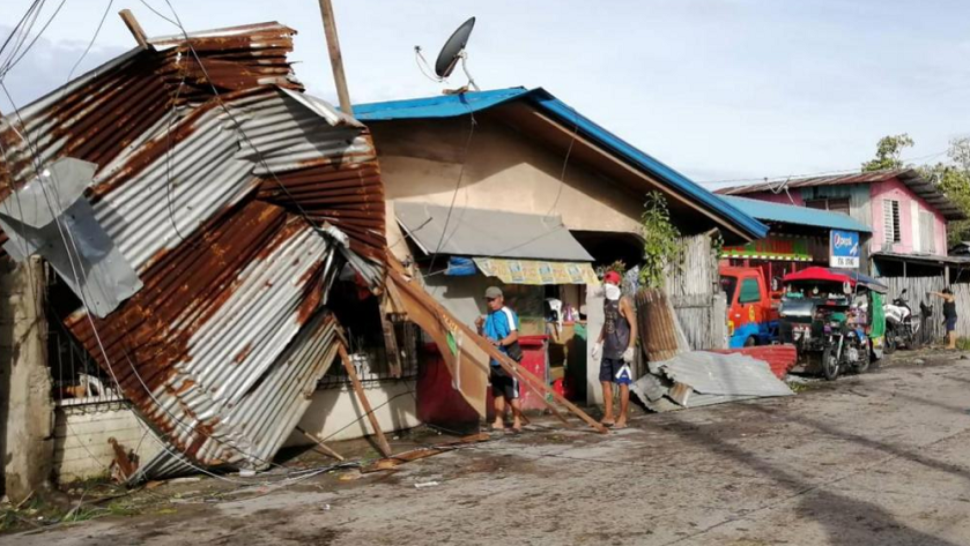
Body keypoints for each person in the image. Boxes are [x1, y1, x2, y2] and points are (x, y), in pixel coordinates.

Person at [592, 270, 638, 429]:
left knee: (622, 384)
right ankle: (609, 415)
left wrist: (630, 348)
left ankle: (623, 417)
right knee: (604, 381)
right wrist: (598, 342)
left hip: (621, 350)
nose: (608, 286)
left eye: (611, 283)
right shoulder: (606, 301)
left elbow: (633, 325)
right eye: (606, 283)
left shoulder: (623, 301)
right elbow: (607, 322)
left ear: (618, 283)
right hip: (608, 348)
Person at [475, 286, 523, 432]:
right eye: (488, 300)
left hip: (508, 359)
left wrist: (500, 342)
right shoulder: (489, 317)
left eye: (493, 299)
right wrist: (479, 328)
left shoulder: (507, 313)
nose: (490, 303)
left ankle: (517, 422)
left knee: (512, 393)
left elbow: (514, 335)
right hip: (494, 361)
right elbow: (485, 339)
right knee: (498, 393)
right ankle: (499, 421)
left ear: (501, 298)